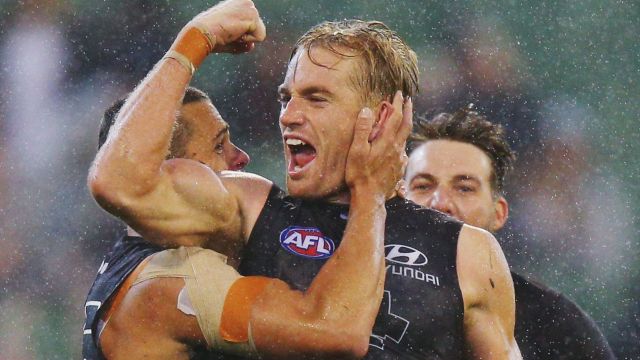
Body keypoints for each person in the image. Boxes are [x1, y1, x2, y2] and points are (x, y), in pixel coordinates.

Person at [88, 0, 521, 358]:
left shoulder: (468, 253)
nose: (288, 116)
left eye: (316, 99)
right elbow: (121, 183)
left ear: (382, 116)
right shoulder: (246, 206)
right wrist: (194, 42)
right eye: (286, 98)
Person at [84, 85, 406, 359]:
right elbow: (337, 329)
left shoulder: (129, 263)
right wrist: (369, 191)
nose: (240, 158)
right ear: (173, 175)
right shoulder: (168, 284)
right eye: (218, 146)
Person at [404, 106, 616, 360]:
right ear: (395, 200)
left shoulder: (552, 322)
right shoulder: (360, 296)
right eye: (423, 186)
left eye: (464, 188)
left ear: (499, 213)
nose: (440, 202)